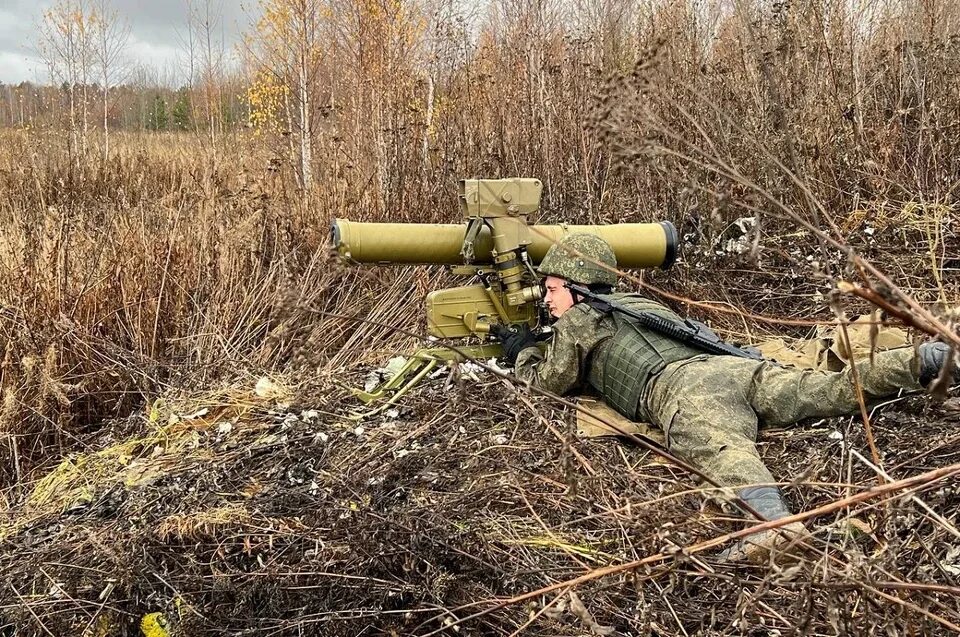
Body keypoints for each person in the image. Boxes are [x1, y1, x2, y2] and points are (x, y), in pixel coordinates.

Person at [491, 233, 955, 562]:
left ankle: (773, 525)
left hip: (681, 386)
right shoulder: (641, 303)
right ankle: (928, 360)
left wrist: (521, 351)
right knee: (828, 388)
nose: (547, 299)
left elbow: (546, 384)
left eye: (552, 289)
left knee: (723, 450)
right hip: (734, 368)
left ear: (577, 287)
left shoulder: (580, 321)